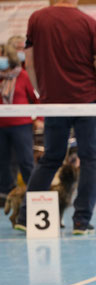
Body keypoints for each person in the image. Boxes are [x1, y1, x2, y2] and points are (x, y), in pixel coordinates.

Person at [14, 0, 96, 235]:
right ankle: (81, 221)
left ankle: (26, 217)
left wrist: (43, 94)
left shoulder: (36, 19)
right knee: (90, 160)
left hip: (53, 103)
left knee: (50, 159)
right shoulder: (91, 23)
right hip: (87, 103)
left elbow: (31, 63)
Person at [0, 41, 39, 208]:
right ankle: (5, 194)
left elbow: (37, 99)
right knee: (3, 161)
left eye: (2, 54)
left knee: (26, 160)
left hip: (21, 125)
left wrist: (39, 119)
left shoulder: (23, 76)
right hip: (1, 126)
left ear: (10, 58)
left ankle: (33, 193)